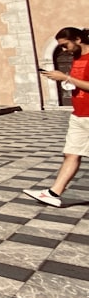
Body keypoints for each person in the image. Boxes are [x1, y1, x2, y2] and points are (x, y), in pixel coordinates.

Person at [25, 27, 89, 207]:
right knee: (71, 153)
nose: (63, 50)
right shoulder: (76, 58)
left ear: (78, 39)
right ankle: (53, 193)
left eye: (65, 45)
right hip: (79, 115)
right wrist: (65, 80)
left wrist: (66, 78)